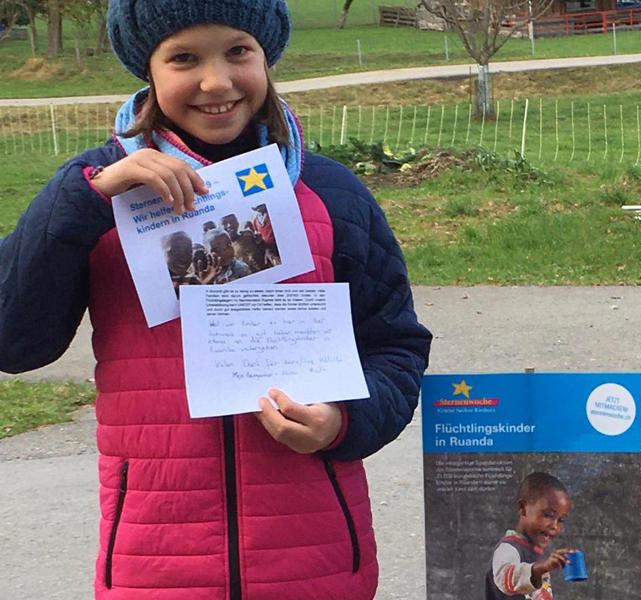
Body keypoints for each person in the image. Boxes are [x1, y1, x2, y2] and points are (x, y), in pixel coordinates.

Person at [0, 1, 432, 599]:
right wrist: (83, 201)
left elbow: (396, 347)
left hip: (317, 560)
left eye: (238, 51)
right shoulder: (98, 193)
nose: (217, 82)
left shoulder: (331, 194)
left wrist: (343, 421)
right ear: (148, 69)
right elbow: (14, 341)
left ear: (267, 56)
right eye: (183, 58)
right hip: (156, 563)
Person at [486, 472, 576, 600]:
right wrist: (542, 568)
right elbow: (506, 578)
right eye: (548, 515)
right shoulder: (508, 548)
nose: (555, 526)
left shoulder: (535, 551)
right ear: (523, 508)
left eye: (561, 520)